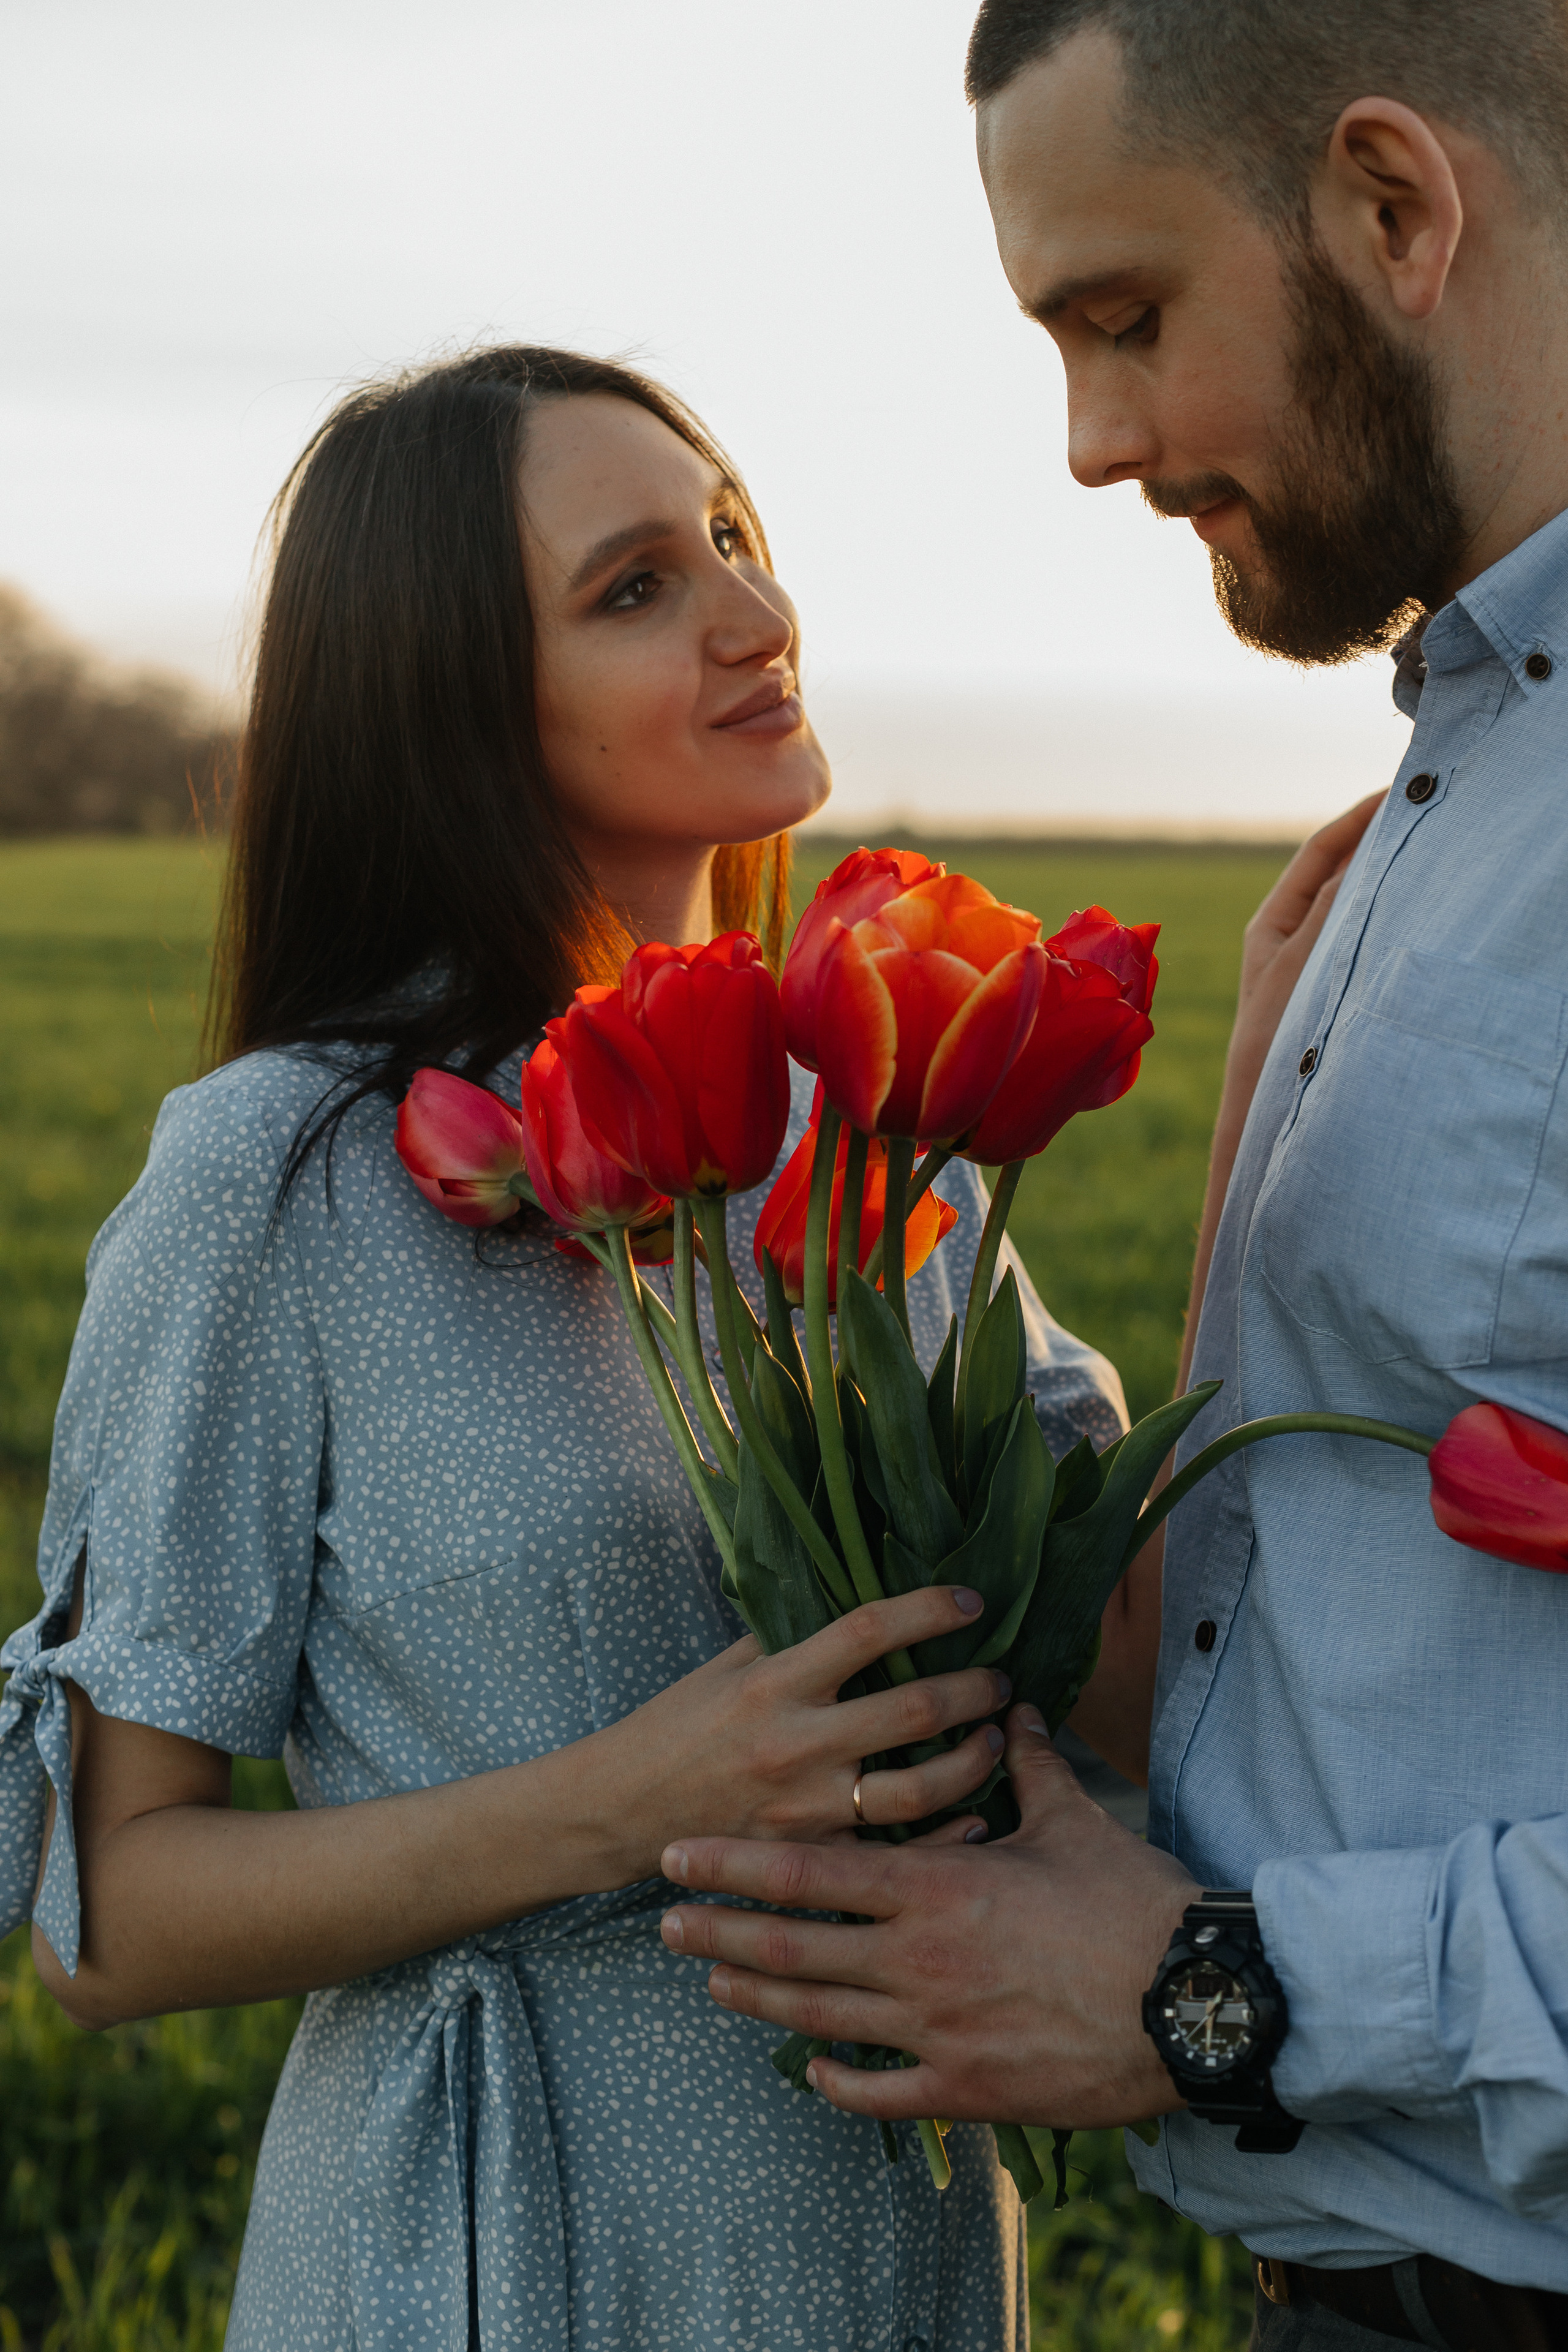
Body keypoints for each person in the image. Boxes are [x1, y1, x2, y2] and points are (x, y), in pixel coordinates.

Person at [0, 344, 1127, 2348]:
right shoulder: (284, 1178)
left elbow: (1112, 1657)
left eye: (730, 543)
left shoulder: (876, 1129)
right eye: (636, 588)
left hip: (898, 2221)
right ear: (452, 701)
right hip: (503, 2238)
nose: (754, 616)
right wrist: (635, 1798)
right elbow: (118, 1908)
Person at [658, 6, 1568, 2345]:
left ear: (1394, 206)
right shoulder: (1446, 787)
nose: (1090, 445)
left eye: (1125, 320)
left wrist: (1203, 1994)